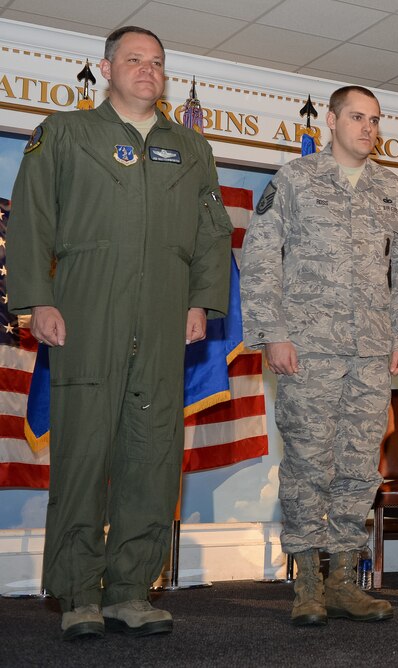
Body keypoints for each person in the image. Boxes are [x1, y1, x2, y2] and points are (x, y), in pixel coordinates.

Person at [7, 26, 232, 640]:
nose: (147, 70)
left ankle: (131, 589)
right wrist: (37, 301)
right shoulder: (65, 134)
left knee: (152, 457)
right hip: (85, 311)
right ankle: (79, 594)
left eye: (157, 62)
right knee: (82, 455)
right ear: (106, 68)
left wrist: (202, 303)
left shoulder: (190, 148)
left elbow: (213, 234)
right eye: (134, 59)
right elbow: (31, 217)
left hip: (164, 318)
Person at [240, 86, 398, 625]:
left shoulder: (392, 189)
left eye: (375, 120)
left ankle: (345, 579)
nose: (367, 128)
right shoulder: (295, 180)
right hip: (308, 351)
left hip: (371, 353)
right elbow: (261, 256)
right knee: (306, 466)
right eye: (357, 117)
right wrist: (273, 331)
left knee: (359, 468)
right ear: (332, 120)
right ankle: (308, 586)